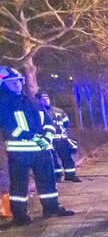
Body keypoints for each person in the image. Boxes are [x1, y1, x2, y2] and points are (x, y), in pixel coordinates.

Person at [0, 67, 74, 225]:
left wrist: (47, 136)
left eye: (19, 82)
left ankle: (51, 208)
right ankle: (20, 217)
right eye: (13, 83)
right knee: (19, 186)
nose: (18, 85)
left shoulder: (32, 100)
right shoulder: (3, 104)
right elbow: (10, 127)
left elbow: (48, 121)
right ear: (3, 84)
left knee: (48, 181)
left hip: (41, 149)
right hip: (20, 152)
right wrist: (33, 137)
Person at [38, 92, 80, 182]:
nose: (46, 100)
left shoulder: (59, 111)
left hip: (62, 139)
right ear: (39, 100)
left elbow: (66, 123)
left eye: (47, 98)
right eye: (43, 99)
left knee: (67, 158)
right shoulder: (38, 113)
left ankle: (70, 175)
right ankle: (57, 176)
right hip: (49, 140)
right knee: (53, 160)